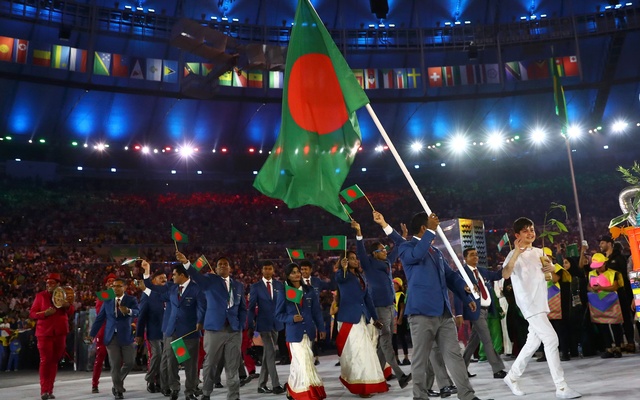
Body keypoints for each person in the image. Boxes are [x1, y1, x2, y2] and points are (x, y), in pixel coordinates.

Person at [397, 212, 483, 400]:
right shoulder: (406, 248)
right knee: (420, 359)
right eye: (430, 225)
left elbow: (451, 277)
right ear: (423, 228)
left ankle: (467, 395)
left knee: (454, 355)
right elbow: (416, 255)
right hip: (421, 314)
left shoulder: (436, 252)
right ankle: (420, 396)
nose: (436, 226)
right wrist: (430, 231)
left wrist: (466, 293)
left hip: (443, 313)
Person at [501, 217, 581, 399]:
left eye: (532, 229)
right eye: (525, 230)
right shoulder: (513, 255)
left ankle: (512, 376)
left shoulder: (539, 252)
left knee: (533, 342)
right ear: (517, 235)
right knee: (551, 339)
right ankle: (561, 387)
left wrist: (551, 268)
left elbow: (554, 278)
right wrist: (515, 252)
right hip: (529, 304)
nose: (530, 233)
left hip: (541, 303)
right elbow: (505, 273)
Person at [352, 212, 411, 388]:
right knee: (386, 341)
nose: (385, 251)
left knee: (382, 345)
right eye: (381, 250)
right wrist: (359, 233)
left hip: (389, 306)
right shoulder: (368, 263)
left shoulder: (386, 263)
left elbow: (397, 249)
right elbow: (361, 250)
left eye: (385, 249)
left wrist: (404, 237)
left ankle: (375, 377)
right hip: (378, 308)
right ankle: (400, 375)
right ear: (374, 253)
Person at [179, 252, 247, 400]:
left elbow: (243, 308)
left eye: (225, 264)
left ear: (230, 268)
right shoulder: (210, 280)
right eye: (220, 264)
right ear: (215, 269)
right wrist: (186, 263)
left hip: (234, 330)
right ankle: (206, 393)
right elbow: (196, 276)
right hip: (214, 329)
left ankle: (234, 396)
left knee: (233, 365)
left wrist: (240, 325)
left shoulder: (238, 286)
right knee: (210, 364)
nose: (223, 266)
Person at [143, 260, 205, 400]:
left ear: (183, 275)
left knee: (190, 365)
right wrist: (147, 271)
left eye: (175, 275)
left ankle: (189, 391)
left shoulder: (196, 289)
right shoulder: (172, 288)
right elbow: (151, 287)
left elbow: (202, 307)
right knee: (172, 363)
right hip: (174, 332)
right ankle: (174, 388)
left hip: (189, 333)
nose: (172, 277)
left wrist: (200, 321)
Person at [335, 252, 390, 397]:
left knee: (366, 351)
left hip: (363, 318)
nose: (355, 260)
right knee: (357, 353)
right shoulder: (342, 275)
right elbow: (340, 278)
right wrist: (344, 268)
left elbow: (368, 300)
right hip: (349, 320)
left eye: (355, 258)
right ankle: (361, 386)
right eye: (351, 259)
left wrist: (375, 318)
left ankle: (369, 383)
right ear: (344, 261)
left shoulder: (362, 277)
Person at [275, 263, 326, 400]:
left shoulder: (309, 291)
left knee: (300, 363)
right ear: (288, 275)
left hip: (309, 331)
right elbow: (278, 314)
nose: (297, 274)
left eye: (298, 271)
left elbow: (316, 312)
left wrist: (321, 328)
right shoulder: (284, 292)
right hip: (294, 334)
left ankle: (292, 389)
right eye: (293, 272)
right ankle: (307, 393)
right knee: (303, 362)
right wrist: (291, 318)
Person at [455, 248, 507, 379]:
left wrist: (507, 264)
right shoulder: (462, 273)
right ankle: (497, 369)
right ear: (465, 258)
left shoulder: (481, 271)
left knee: (473, 341)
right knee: (487, 339)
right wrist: (459, 313)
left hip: (486, 310)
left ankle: (462, 369)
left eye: (476, 255)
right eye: (472, 255)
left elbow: (496, 275)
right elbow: (457, 294)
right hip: (474, 311)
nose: (475, 257)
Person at [89, 278, 139, 400]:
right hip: (111, 337)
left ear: (125, 287)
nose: (115, 288)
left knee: (129, 362)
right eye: (113, 286)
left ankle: (117, 382)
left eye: (118, 286)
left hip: (126, 336)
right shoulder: (107, 301)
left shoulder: (131, 300)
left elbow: (138, 312)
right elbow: (100, 319)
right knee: (115, 364)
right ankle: (118, 390)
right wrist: (92, 334)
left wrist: (128, 311)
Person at [29, 272, 75, 400]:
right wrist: (44, 313)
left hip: (60, 332)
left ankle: (50, 390)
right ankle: (44, 391)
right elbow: (32, 313)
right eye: (47, 283)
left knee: (55, 361)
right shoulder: (40, 296)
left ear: (58, 284)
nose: (49, 285)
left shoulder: (65, 295)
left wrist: (67, 306)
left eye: (52, 283)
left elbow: (71, 311)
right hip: (44, 333)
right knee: (45, 360)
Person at [248, 261, 286, 394]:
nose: (268, 271)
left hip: (277, 324)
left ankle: (261, 385)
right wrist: (250, 324)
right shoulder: (255, 287)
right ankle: (276, 385)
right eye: (266, 269)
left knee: (267, 355)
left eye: (270, 268)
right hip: (263, 324)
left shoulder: (279, 285)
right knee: (271, 353)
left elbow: (283, 304)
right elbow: (251, 307)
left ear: (273, 270)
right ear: (262, 271)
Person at [598, 235, 635, 352]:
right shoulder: (603, 259)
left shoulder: (619, 257)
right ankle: (620, 343)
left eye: (603, 243)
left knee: (625, 317)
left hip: (621, 292)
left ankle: (630, 342)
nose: (600, 245)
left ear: (609, 243)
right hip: (608, 294)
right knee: (615, 319)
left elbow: (625, 275)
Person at [586, 253, 624, 358]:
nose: (598, 269)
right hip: (598, 302)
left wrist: (601, 288)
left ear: (605, 263)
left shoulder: (613, 273)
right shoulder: (591, 273)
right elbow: (588, 286)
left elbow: (615, 287)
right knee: (603, 325)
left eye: (600, 266)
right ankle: (608, 348)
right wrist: (592, 289)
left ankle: (617, 348)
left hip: (612, 302)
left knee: (615, 325)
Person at [136, 269, 168, 394]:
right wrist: (139, 334)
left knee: (167, 358)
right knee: (158, 355)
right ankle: (150, 379)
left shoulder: (169, 293)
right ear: (153, 281)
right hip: (154, 332)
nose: (164, 280)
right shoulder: (147, 295)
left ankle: (161, 382)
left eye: (165, 278)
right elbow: (142, 315)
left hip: (169, 332)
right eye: (161, 278)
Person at [299, 259, 329, 366]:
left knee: (314, 336)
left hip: (316, 312)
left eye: (306, 269)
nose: (303, 271)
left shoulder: (317, 281)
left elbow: (331, 285)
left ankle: (315, 356)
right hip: (303, 314)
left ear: (310, 270)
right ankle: (309, 357)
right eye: (301, 269)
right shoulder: (296, 282)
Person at [92, 273, 118, 394]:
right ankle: (94, 384)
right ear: (106, 284)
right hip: (103, 330)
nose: (112, 283)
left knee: (118, 359)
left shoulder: (121, 295)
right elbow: (99, 313)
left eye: (114, 281)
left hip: (116, 330)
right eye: (109, 281)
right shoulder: (103, 296)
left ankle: (118, 383)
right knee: (100, 356)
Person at [392, 277, 410, 366]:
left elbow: (402, 308)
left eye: (395, 284)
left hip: (400, 319)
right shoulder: (392, 294)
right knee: (394, 339)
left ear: (398, 285)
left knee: (402, 338)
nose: (393, 285)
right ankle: (396, 358)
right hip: (393, 319)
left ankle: (406, 357)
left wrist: (400, 318)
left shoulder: (401, 295)